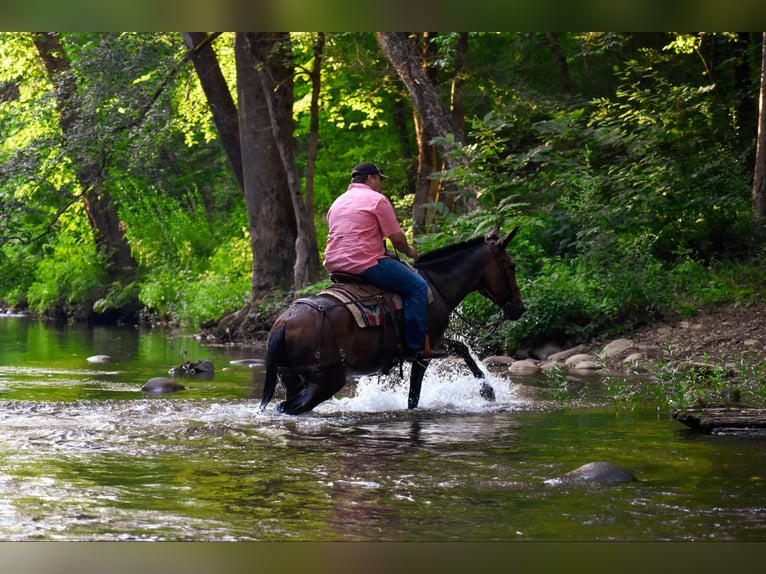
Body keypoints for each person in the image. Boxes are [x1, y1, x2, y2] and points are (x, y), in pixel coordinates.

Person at [324, 162, 431, 359]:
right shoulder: (377, 200)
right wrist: (411, 253)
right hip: (365, 264)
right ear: (371, 178)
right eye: (379, 179)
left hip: (334, 264)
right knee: (418, 288)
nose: (381, 183)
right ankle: (414, 348)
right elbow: (397, 239)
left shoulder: (338, 202)